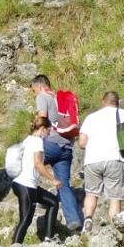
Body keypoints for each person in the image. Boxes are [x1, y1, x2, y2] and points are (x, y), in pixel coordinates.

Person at [78, 91, 124, 233]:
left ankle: (88, 219)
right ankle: (113, 230)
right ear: (117, 103)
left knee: (91, 193)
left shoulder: (91, 117)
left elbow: (81, 143)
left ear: (103, 102)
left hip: (92, 161)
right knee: (115, 197)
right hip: (114, 158)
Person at [33, 74, 83, 231]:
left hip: (51, 143)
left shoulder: (43, 96)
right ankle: (73, 220)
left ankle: (35, 198)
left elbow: (42, 118)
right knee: (64, 185)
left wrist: (34, 135)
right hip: (66, 148)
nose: (34, 93)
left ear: (40, 86)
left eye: (34, 90)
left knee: (29, 162)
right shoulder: (60, 98)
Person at [11, 116, 62, 244]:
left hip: (21, 183)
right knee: (26, 219)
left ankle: (49, 238)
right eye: (48, 131)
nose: (48, 135)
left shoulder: (27, 140)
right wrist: (53, 180)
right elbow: (38, 164)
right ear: (43, 129)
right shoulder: (37, 141)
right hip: (26, 185)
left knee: (53, 202)